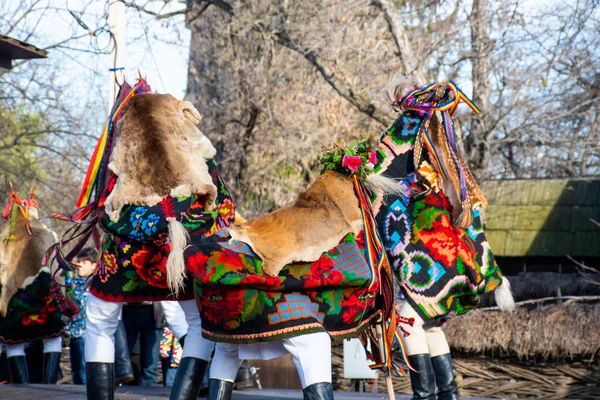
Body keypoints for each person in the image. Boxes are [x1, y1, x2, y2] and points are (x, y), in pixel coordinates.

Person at [0, 188, 64, 384]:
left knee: (14, 344)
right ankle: (50, 386)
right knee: (52, 339)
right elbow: (58, 266)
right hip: (46, 298)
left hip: (14, 299)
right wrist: (61, 291)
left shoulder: (4, 237)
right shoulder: (48, 233)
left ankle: (22, 387)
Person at [63, 247, 96, 384]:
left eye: (84, 262)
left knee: (84, 371)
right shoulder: (75, 284)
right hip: (74, 334)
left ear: (94, 266)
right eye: (79, 262)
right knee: (75, 371)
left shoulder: (95, 284)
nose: (80, 265)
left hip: (87, 334)